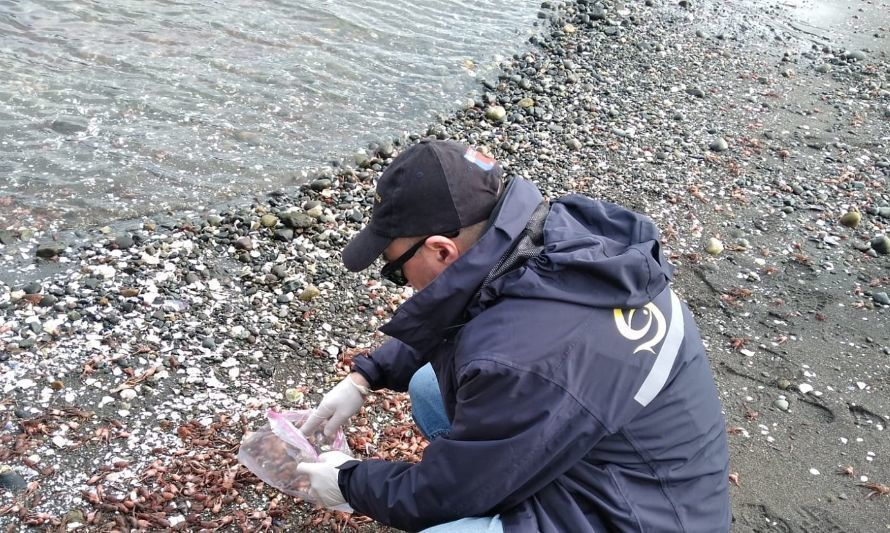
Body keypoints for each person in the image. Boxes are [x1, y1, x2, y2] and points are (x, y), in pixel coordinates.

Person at [296, 139, 731, 532]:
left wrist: (349, 483)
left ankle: (499, 488)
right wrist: (365, 376)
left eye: (395, 270)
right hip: (639, 466)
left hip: (640, 518)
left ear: (441, 250)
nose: (402, 282)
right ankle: (501, 476)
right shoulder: (551, 237)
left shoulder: (524, 358)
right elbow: (459, 310)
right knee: (431, 388)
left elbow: (442, 496)